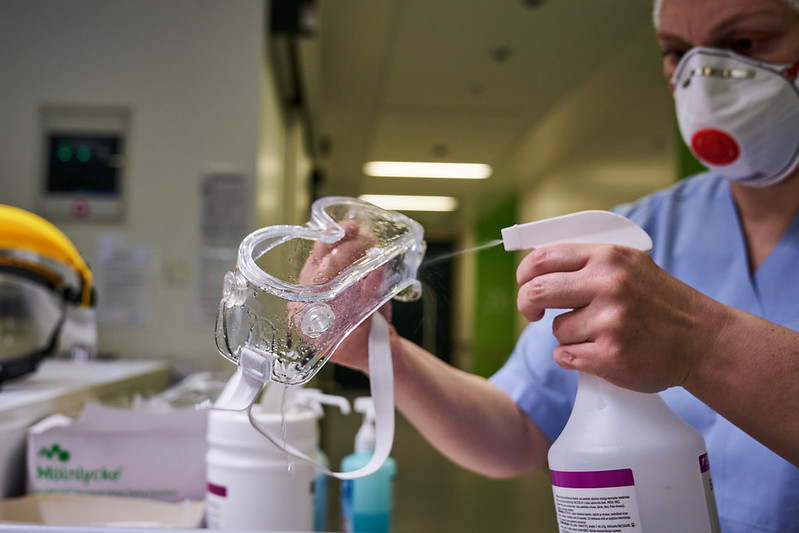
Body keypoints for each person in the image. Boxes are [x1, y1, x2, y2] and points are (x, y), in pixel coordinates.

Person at [327, 0, 799, 530]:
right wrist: (380, 350)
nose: (704, 77)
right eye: (677, 52)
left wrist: (699, 344)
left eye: (747, 43)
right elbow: (518, 427)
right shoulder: (643, 231)